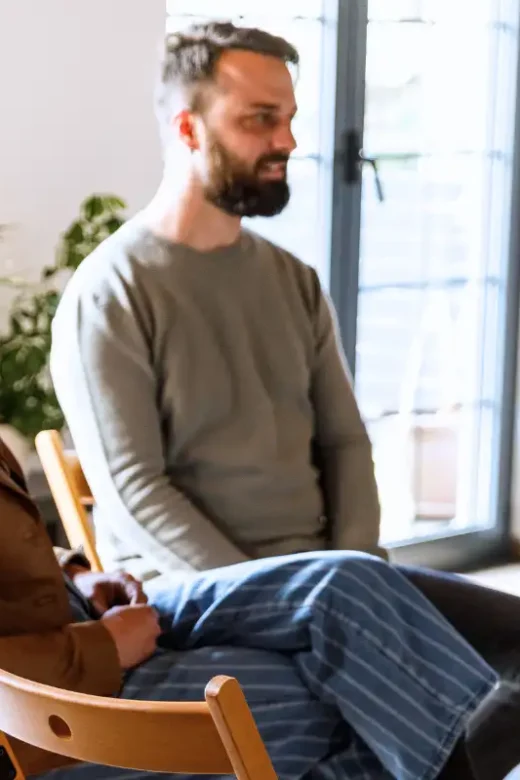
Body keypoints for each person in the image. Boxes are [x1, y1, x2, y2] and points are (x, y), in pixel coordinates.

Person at [47, 19, 520, 702]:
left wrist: (356, 570)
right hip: (201, 593)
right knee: (425, 696)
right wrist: (290, 597)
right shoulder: (110, 292)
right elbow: (138, 491)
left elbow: (345, 442)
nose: (288, 142)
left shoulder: (292, 279)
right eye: (260, 120)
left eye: (290, 119)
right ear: (187, 130)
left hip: (336, 579)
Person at [1, 431, 520, 780]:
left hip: (87, 613)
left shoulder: (292, 279)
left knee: (344, 582)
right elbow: (139, 486)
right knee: (358, 691)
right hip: (50, 693)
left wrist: (75, 570)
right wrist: (105, 648)